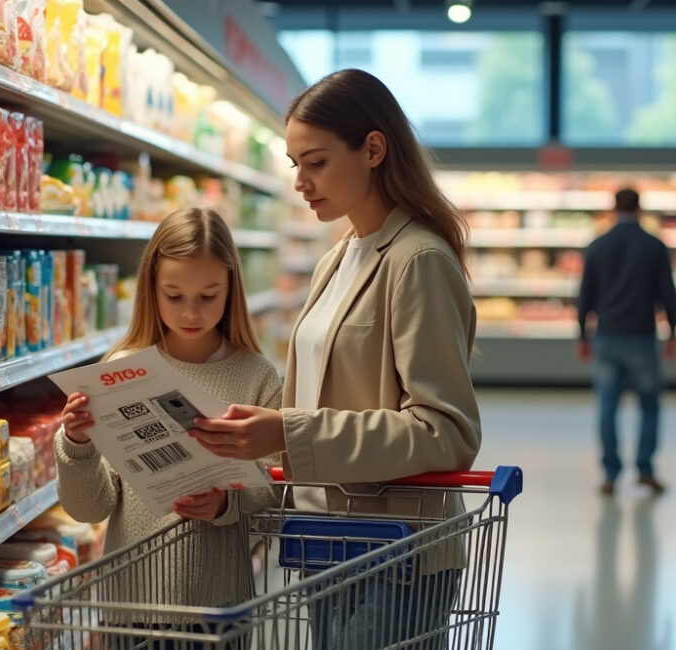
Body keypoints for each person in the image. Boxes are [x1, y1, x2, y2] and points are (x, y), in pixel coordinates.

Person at [188, 69, 481, 650]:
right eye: (295, 163)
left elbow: (447, 431)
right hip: (326, 539)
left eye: (316, 162)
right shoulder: (337, 258)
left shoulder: (417, 259)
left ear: (373, 149)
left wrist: (290, 431)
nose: (301, 181)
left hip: (398, 552)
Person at [54, 208, 282, 647]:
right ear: (151, 291)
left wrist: (223, 505)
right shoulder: (121, 371)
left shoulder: (257, 377)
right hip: (131, 606)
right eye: (174, 296)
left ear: (231, 290)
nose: (191, 312)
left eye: (208, 295)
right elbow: (90, 509)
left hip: (219, 608)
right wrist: (77, 443)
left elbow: (271, 492)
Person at [576, 188, 676, 497]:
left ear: (613, 209)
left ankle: (610, 474)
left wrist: (582, 334)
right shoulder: (655, 246)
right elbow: (668, 294)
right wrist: (673, 331)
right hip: (642, 337)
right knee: (649, 406)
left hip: (606, 337)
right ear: (641, 209)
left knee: (607, 406)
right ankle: (645, 469)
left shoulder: (597, 246)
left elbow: (585, 296)